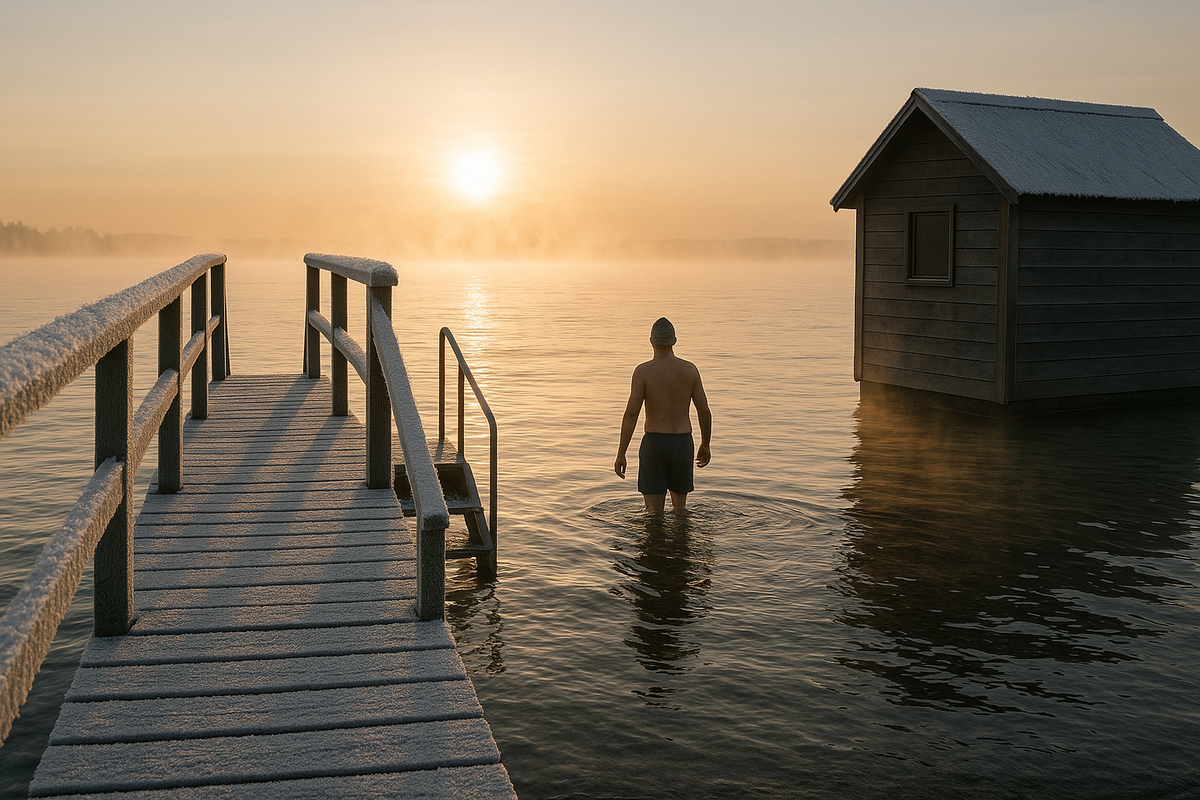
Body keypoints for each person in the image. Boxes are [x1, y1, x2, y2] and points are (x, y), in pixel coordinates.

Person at [614, 317, 712, 515]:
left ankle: (656, 546)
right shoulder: (690, 370)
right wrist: (705, 444)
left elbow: (631, 414)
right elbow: (704, 411)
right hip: (682, 443)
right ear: (674, 340)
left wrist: (621, 453)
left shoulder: (643, 372)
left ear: (651, 341)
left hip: (654, 444)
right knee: (680, 511)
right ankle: (682, 545)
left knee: (653, 513)